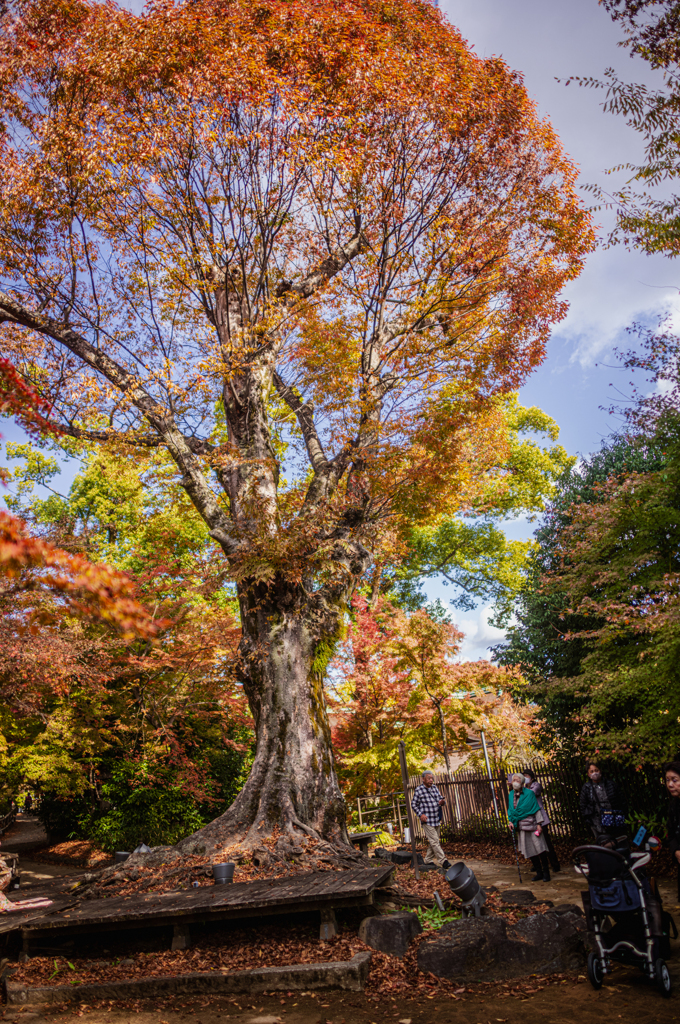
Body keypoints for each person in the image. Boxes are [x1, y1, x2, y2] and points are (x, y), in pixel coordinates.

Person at [507, 772, 551, 882]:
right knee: (530, 850)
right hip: (521, 826)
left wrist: (539, 824)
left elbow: (536, 808)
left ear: (522, 783)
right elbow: (511, 811)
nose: (515, 783)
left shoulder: (529, 794)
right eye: (514, 780)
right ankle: (539, 873)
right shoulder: (511, 794)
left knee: (540, 849)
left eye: (517, 780)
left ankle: (546, 873)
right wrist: (511, 822)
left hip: (532, 825)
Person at [578, 761, 627, 846]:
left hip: (614, 822)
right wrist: (589, 820)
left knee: (618, 844)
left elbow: (621, 800)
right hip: (597, 824)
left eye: (596, 770)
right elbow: (583, 805)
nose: (595, 773)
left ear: (600, 770)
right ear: (588, 774)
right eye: (592, 771)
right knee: (604, 846)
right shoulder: (586, 788)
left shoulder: (611, 784)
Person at [411, 770, 451, 870]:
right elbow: (413, 804)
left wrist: (442, 802)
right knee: (434, 842)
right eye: (429, 778)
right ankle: (443, 861)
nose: (431, 780)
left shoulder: (434, 788)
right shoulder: (419, 790)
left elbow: (440, 799)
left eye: (432, 778)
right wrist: (420, 815)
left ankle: (428, 860)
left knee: (434, 841)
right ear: (423, 779)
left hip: (436, 819)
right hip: (427, 821)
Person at [523, 768, 561, 873]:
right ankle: (538, 865)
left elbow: (531, 794)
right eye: (524, 776)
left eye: (527, 775)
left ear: (532, 777)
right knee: (534, 843)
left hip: (540, 819)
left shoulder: (536, 786)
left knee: (546, 842)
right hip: (530, 819)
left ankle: (555, 864)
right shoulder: (523, 788)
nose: (525, 778)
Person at [665, 760, 680, 901]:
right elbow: (671, 832)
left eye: (675, 780)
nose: (670, 784)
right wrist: (676, 851)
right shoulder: (673, 805)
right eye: (668, 780)